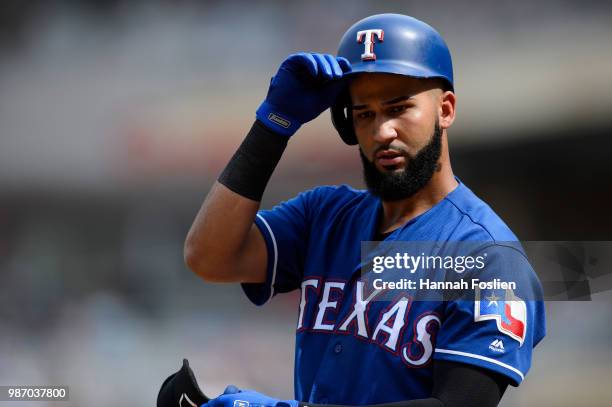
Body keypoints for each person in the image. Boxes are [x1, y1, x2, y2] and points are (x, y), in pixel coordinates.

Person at [159, 13, 545, 407]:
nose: (381, 132)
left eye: (398, 108)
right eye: (364, 114)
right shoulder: (325, 214)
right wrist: (274, 124)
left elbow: (459, 406)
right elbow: (209, 257)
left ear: (445, 109)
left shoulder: (488, 255)